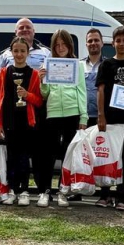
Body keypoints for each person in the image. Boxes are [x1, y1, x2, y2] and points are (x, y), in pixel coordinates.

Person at [38, 29, 87, 208]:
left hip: (72, 113)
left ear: (70, 45)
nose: (60, 48)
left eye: (63, 44)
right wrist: (42, 80)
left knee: (68, 155)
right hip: (52, 113)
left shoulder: (78, 65)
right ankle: (45, 191)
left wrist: (84, 117)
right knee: (48, 155)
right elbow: (45, 94)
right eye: (57, 45)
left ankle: (63, 191)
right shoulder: (48, 64)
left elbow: (82, 91)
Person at [0, 36, 43, 207]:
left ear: (28, 53)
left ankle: (24, 191)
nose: (19, 54)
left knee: (24, 157)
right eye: (16, 51)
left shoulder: (34, 74)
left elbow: (39, 101)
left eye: (22, 51)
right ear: (11, 52)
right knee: (12, 157)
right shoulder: (4, 72)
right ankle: (12, 190)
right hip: (10, 121)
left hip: (27, 122)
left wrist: (27, 95)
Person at [95, 25, 124, 211]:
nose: (121, 44)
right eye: (118, 40)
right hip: (108, 118)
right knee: (106, 156)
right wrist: (101, 115)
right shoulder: (106, 65)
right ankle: (104, 195)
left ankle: (121, 197)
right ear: (112, 43)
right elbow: (101, 90)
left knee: (123, 157)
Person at [82, 28, 105, 128]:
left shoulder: (108, 65)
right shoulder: (79, 65)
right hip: (83, 118)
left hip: (103, 118)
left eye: (96, 40)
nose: (93, 43)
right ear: (86, 44)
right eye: (90, 41)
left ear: (102, 43)